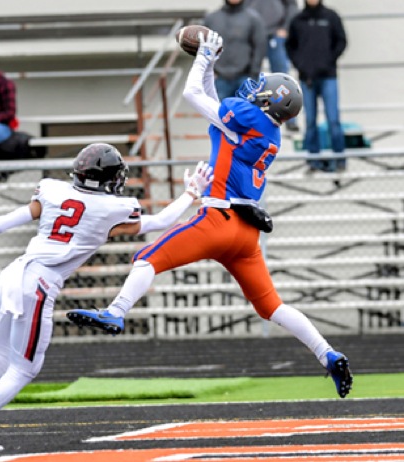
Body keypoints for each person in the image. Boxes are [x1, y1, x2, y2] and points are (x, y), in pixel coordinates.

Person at [67, 32, 353, 400]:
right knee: (272, 306)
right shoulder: (267, 132)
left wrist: (203, 55)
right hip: (246, 236)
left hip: (219, 220)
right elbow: (210, 101)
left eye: (263, 89)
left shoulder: (248, 115)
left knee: (146, 258)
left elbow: (192, 95)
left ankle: (116, 311)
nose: (255, 89)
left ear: (270, 101)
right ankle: (328, 355)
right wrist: (209, 64)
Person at [0, 143, 213, 452]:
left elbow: (10, 219)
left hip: (12, 273)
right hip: (38, 285)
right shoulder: (112, 209)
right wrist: (191, 193)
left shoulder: (52, 190)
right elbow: (160, 221)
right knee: (24, 370)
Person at [285, 0, 347, 172]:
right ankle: (313, 161)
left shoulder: (331, 17)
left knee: (333, 119)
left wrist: (329, 61)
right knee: (310, 121)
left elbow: (341, 41)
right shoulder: (297, 20)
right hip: (307, 79)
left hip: (328, 77)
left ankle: (340, 160)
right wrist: (300, 65)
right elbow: (290, 46)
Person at [246, 0, 299, 131]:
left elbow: (291, 5)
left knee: (283, 79)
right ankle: (250, 118)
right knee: (250, 77)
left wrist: (286, 27)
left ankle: (290, 118)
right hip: (253, 33)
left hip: (276, 33)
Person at [203, 0, 267, 101]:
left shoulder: (253, 18)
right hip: (219, 79)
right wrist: (210, 72)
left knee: (245, 111)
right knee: (219, 111)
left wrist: (253, 74)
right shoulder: (212, 19)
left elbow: (259, 46)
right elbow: (204, 47)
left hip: (245, 78)